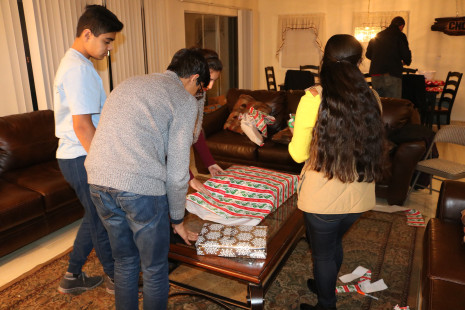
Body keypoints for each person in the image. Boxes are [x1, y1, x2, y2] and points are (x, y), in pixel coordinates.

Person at [84, 48, 210, 310]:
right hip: (139, 187)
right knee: (154, 268)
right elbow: (177, 173)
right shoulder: (183, 100)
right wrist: (177, 219)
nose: (198, 95)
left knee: (125, 262)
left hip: (97, 179)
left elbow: (191, 135)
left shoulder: (130, 82)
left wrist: (198, 98)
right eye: (200, 88)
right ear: (194, 78)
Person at [288, 34, 387, 310]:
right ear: (359, 62)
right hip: (359, 197)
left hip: (322, 197)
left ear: (325, 62)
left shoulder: (312, 99)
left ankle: (326, 304)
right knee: (333, 246)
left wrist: (298, 130)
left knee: (322, 255)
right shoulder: (373, 97)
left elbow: (297, 154)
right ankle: (325, 283)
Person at [54, 4, 123, 294]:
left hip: (78, 156)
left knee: (92, 215)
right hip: (81, 156)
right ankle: (114, 278)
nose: (109, 49)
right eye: (107, 41)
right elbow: (82, 126)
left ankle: (72, 276)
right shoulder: (78, 69)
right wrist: (102, 164)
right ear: (87, 34)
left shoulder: (77, 64)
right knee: (102, 219)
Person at [189, 48, 225, 195]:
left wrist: (210, 163)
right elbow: (173, 146)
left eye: (214, 81)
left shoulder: (200, 93)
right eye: (208, 79)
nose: (210, 86)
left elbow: (196, 132)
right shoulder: (180, 96)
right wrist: (190, 177)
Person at [366, 16, 412, 98]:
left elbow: (368, 54)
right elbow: (405, 54)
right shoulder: (400, 35)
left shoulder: (378, 35)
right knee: (393, 104)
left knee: (379, 103)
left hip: (376, 74)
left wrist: (379, 60)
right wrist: (406, 61)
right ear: (401, 26)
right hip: (392, 74)